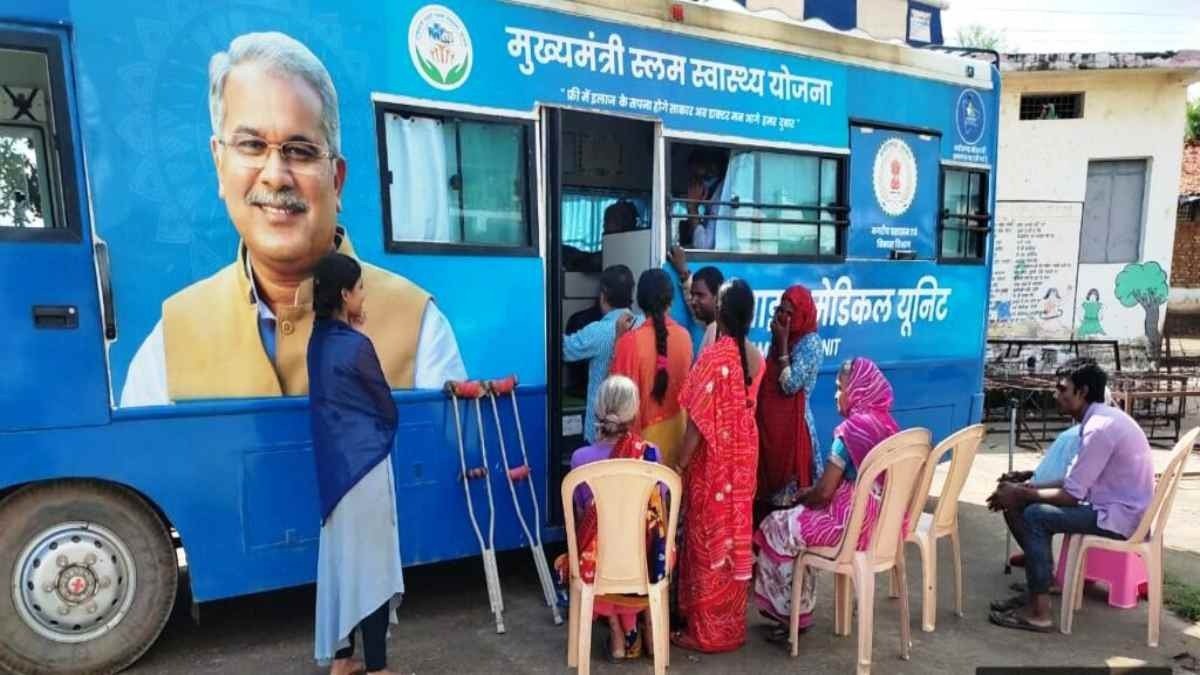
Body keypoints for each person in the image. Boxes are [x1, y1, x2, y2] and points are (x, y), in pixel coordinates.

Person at [121, 31, 464, 406]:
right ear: (219, 164)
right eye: (251, 145)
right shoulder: (169, 346)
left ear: (336, 180)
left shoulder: (418, 330)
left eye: (300, 151)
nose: (275, 175)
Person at [987, 358, 1153, 633]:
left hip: (1120, 518)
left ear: (1082, 391)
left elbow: (1071, 496)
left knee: (1036, 516)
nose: (1056, 395)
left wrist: (1022, 493)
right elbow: (1076, 481)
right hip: (1113, 508)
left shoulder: (1099, 428)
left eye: (1062, 389)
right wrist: (1028, 486)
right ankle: (1042, 584)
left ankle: (1040, 613)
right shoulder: (1101, 420)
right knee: (1019, 506)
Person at [753, 358, 900, 642]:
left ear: (858, 389)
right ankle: (796, 609)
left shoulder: (850, 432)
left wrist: (805, 495)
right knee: (793, 521)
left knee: (777, 525)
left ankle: (790, 616)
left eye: (840, 388)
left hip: (849, 527)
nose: (836, 395)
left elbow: (823, 493)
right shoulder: (889, 425)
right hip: (882, 527)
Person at [307, 252, 402, 675]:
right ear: (345, 295)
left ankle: (342, 660)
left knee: (343, 564)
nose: (364, 295)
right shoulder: (357, 347)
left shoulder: (317, 342)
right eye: (360, 288)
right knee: (373, 568)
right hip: (365, 468)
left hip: (334, 474)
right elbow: (387, 407)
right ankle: (378, 667)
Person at [672, 278, 765, 653]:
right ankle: (730, 627)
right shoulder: (754, 357)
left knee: (707, 540)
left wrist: (680, 463)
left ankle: (706, 633)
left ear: (721, 314)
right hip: (741, 465)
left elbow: (697, 421)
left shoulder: (713, 358)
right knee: (733, 538)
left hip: (713, 466)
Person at [554, 375, 668, 661]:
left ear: (598, 411)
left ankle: (617, 629)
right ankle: (645, 626)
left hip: (599, 565)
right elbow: (659, 514)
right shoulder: (651, 454)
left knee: (589, 547)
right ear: (634, 413)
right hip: (646, 562)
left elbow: (583, 520)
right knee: (652, 540)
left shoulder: (580, 459)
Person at [611, 268, 694, 466]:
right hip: (678, 437)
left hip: (642, 449)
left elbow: (614, 397)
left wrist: (618, 340)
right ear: (670, 301)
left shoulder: (629, 342)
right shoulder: (684, 337)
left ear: (639, 302)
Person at [756, 285, 824, 523]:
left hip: (794, 432)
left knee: (788, 509)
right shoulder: (781, 337)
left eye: (790, 313)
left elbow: (790, 385)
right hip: (772, 429)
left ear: (803, 315)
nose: (784, 317)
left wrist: (783, 345)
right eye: (781, 311)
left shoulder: (810, 343)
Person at [563, 264, 638, 444]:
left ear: (602, 295)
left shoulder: (597, 331)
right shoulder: (643, 325)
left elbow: (563, 349)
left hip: (600, 434)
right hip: (632, 430)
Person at [667, 244, 724, 350]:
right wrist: (684, 273)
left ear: (717, 296)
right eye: (692, 295)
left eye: (700, 295)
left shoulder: (719, 335)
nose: (693, 301)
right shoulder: (712, 326)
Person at [675, 148, 724, 249]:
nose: (694, 184)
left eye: (697, 178)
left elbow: (703, 246)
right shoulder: (710, 203)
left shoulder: (720, 199)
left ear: (713, 170)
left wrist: (692, 207)